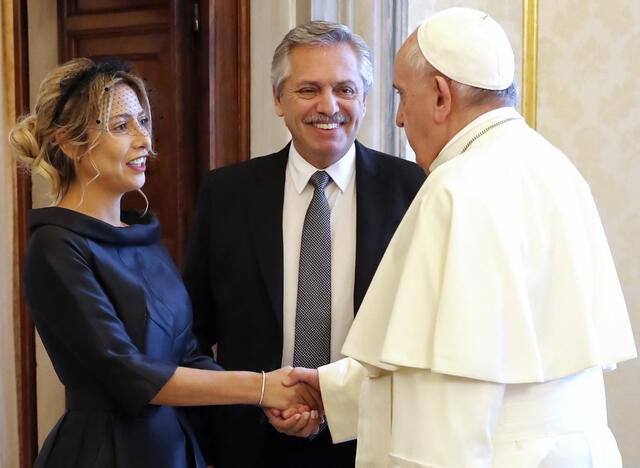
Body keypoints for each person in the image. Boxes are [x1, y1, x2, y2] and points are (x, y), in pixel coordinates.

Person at [285, 7, 638, 467]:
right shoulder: (555, 167)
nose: (398, 118)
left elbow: (450, 403)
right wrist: (330, 391)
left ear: (439, 96)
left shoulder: (457, 188)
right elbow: (461, 360)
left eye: (401, 95)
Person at [10, 57, 321, 468]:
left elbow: (187, 353)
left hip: (174, 448)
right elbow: (125, 371)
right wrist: (260, 388)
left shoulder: (141, 234)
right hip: (107, 453)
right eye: (122, 127)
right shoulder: (55, 247)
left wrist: (262, 402)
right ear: (70, 143)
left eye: (142, 121)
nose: (144, 140)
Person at [182, 21, 426, 468]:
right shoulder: (226, 194)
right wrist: (251, 399)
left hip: (373, 444)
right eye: (308, 89)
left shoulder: (413, 190)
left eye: (346, 90)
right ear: (278, 99)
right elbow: (192, 331)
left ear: (366, 99)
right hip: (250, 444)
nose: (328, 106)